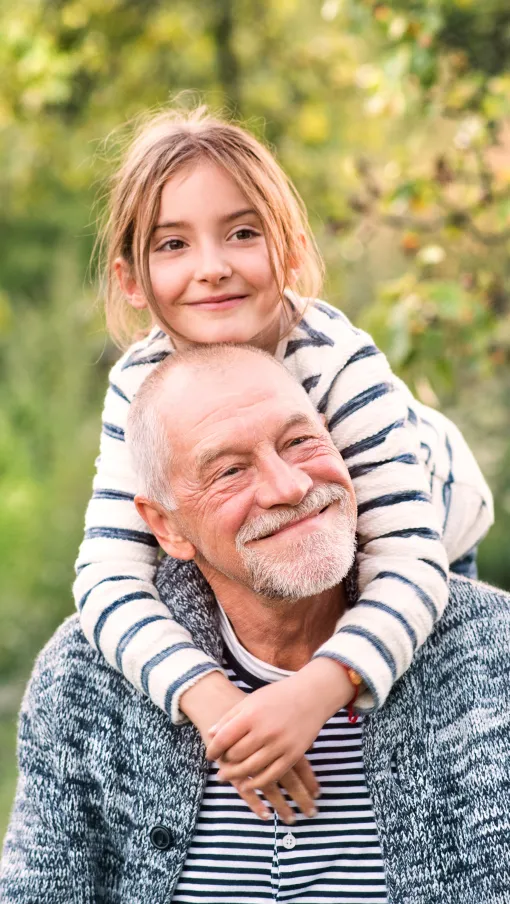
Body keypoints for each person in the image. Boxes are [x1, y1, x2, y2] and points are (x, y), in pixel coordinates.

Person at [74, 105, 493, 808]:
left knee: (413, 730)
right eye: (172, 245)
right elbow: (107, 580)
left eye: (242, 233)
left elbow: (409, 561)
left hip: (427, 536)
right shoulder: (140, 387)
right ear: (131, 280)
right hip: (271, 569)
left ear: (291, 251)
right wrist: (214, 704)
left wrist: (314, 695)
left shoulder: (336, 362)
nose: (211, 269)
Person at [2, 344, 509, 904]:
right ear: (167, 527)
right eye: (230, 471)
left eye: (299, 442)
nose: (289, 487)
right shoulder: (85, 678)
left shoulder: (492, 653)